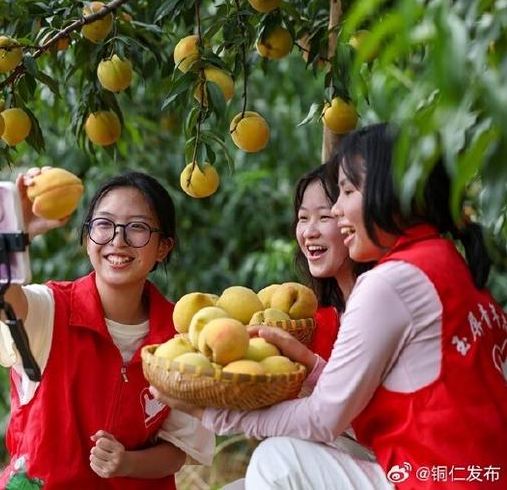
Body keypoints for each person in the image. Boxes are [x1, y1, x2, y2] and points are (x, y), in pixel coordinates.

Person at [153, 123, 507, 489]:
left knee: (278, 462)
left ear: (391, 193)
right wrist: (314, 368)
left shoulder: (390, 283)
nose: (337, 211)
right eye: (306, 216)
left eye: (347, 192)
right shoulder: (446, 262)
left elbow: (325, 419)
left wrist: (211, 414)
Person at [0, 169, 215, 489]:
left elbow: (179, 448)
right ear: (87, 238)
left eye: (137, 228)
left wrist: (127, 462)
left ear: (163, 247)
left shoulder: (181, 337)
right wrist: (15, 236)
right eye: (104, 225)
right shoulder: (52, 308)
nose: (118, 240)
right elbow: (4, 300)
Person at [293, 163, 371, 361]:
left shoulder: (381, 300)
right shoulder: (312, 321)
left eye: (324, 216)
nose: (309, 232)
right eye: (303, 217)